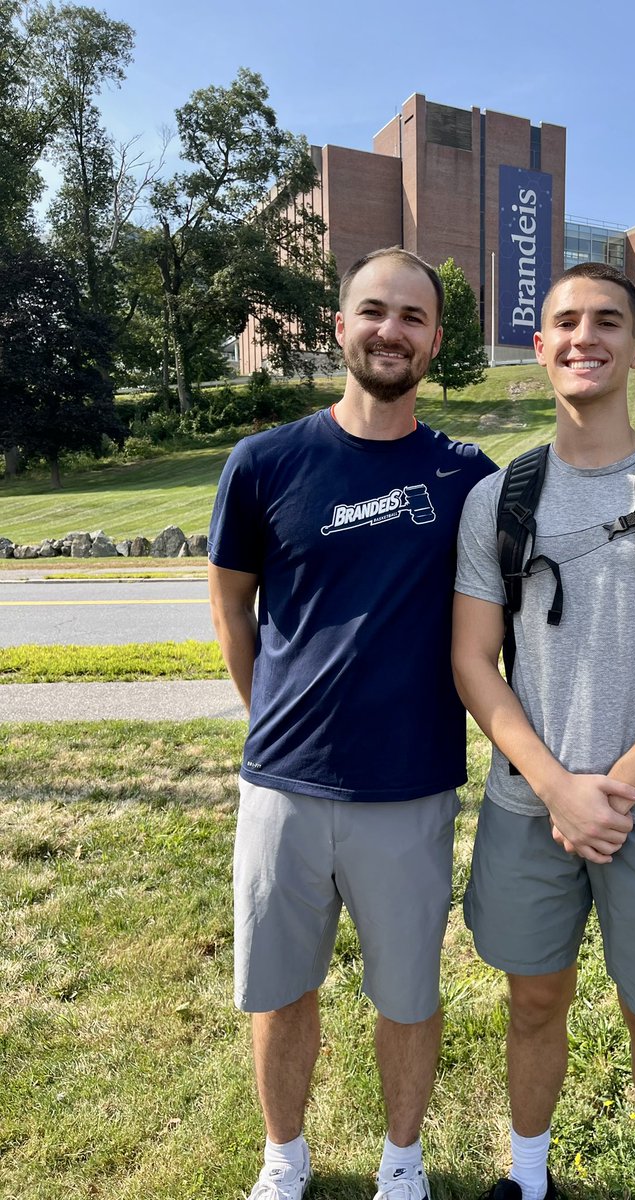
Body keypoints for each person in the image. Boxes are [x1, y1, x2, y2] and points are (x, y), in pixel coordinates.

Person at [452, 262, 635, 1200]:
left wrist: (609, 795)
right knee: (533, 1001)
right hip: (525, 807)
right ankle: (529, 1180)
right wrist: (556, 789)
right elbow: (473, 660)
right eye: (567, 324)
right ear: (539, 348)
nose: (586, 338)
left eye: (608, 323)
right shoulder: (496, 500)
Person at [207, 246, 496, 1200]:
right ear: (341, 326)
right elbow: (233, 613)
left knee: (408, 996)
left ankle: (401, 1165)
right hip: (283, 786)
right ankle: (283, 1159)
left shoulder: (467, 477)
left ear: (435, 342)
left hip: (409, 787)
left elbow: (569, 513)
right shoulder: (264, 464)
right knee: (283, 989)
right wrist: (279, 722)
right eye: (374, 310)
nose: (391, 330)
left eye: (413, 317)